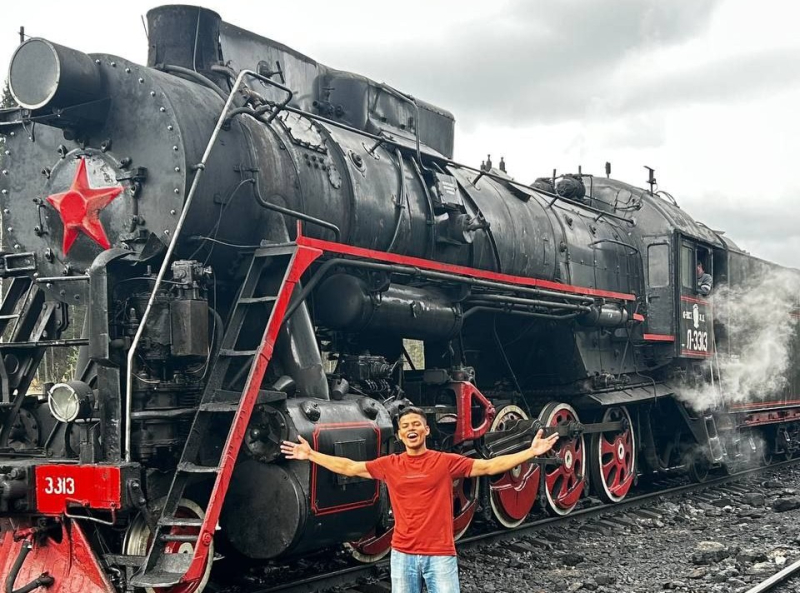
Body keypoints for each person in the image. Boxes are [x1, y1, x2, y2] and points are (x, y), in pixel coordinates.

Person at [281, 406, 559, 593]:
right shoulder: (390, 464)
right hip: (402, 554)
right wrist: (311, 455)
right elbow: (350, 467)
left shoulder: (444, 462)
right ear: (401, 435)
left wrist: (530, 452)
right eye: (405, 426)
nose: (411, 429)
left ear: (426, 430)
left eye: (417, 424)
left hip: (439, 553)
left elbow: (487, 467)